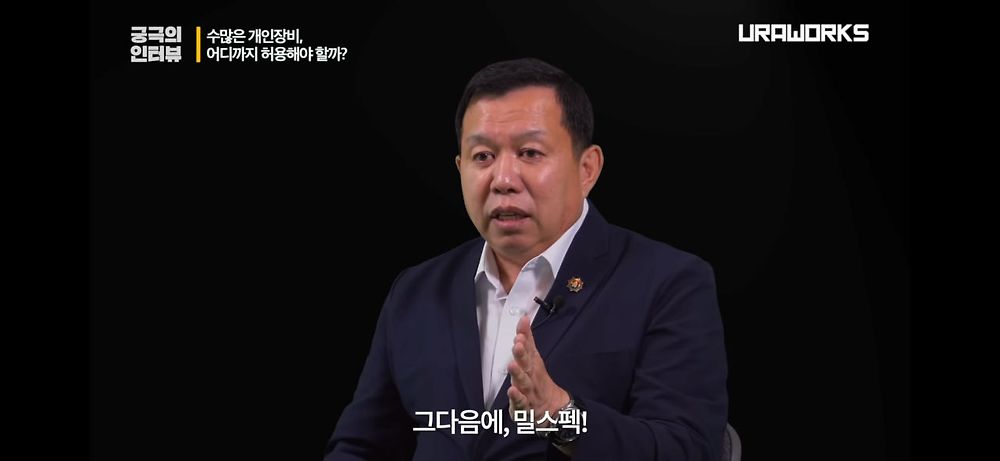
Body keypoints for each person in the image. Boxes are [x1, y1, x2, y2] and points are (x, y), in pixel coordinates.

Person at [324, 57, 728, 460]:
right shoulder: (417, 290)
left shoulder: (668, 282)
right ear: (460, 168)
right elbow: (362, 446)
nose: (503, 180)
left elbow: (688, 448)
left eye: (530, 153)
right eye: (483, 156)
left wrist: (561, 416)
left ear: (587, 169)